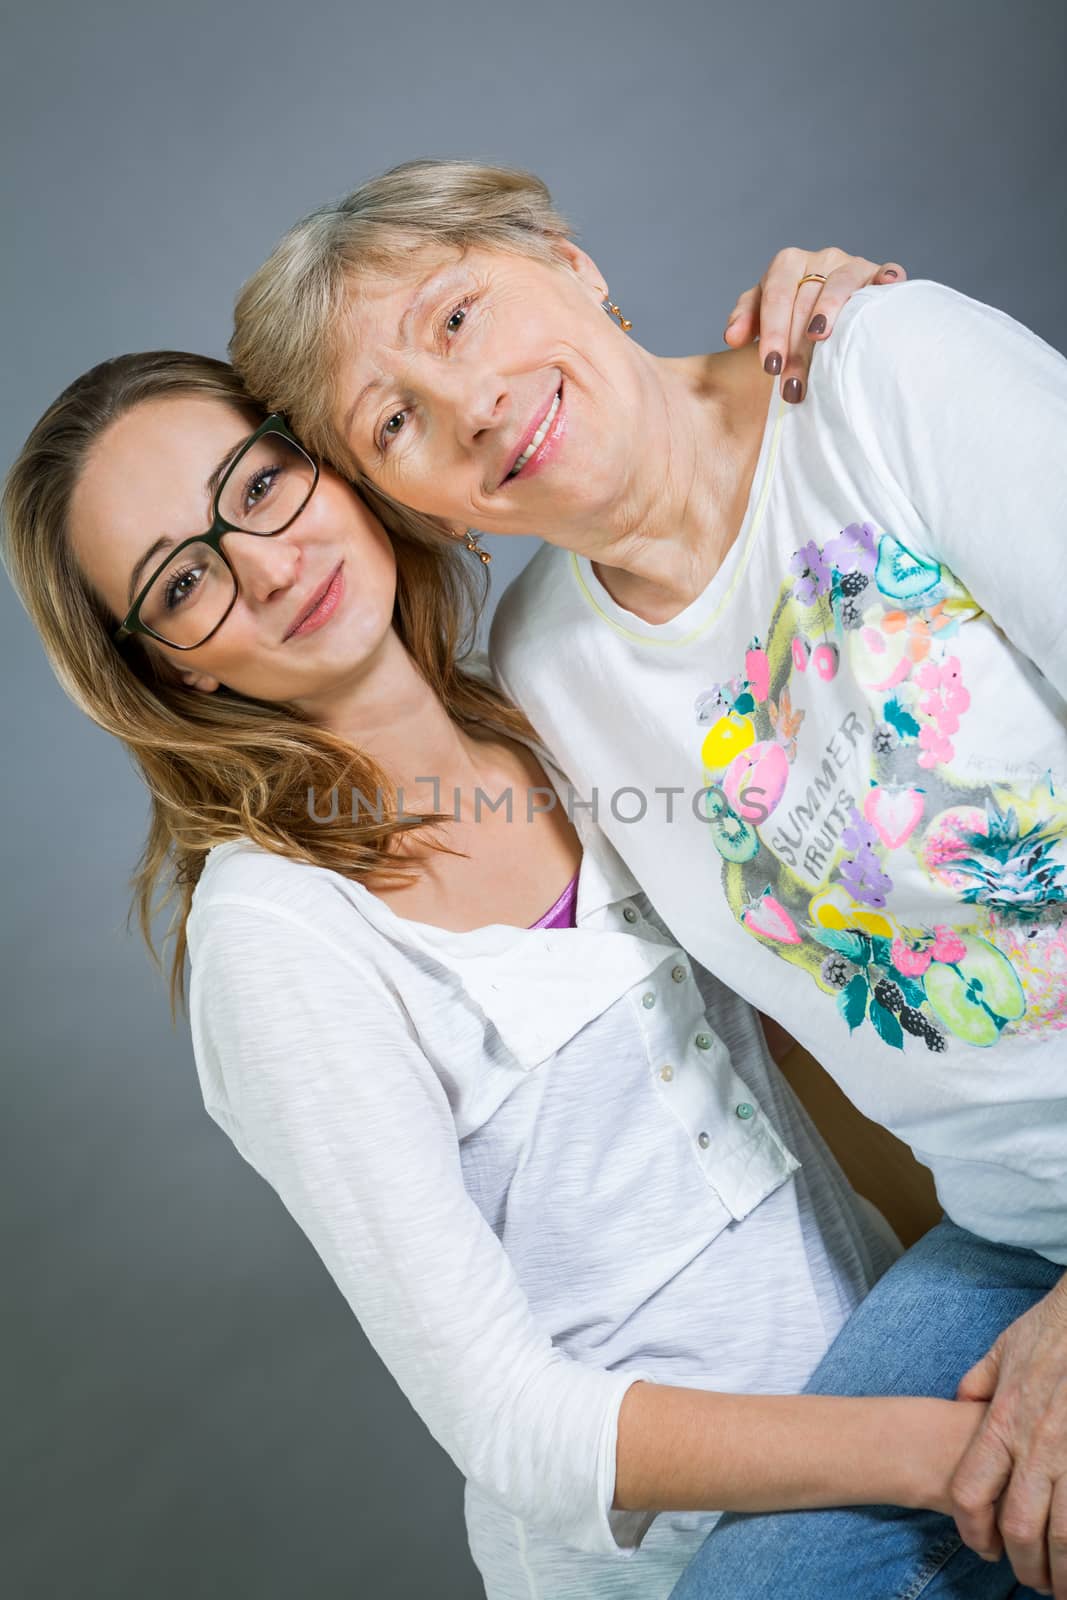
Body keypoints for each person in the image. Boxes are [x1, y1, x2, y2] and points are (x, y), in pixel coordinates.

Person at [3, 312, 985, 1600]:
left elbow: (811, 1056)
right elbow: (514, 1422)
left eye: (255, 486)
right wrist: (954, 1452)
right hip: (729, 1561)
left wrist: (833, 325)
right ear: (164, 677)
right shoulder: (276, 937)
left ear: (326, 462)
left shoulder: (555, 697)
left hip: (908, 1397)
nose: (263, 562)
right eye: (180, 585)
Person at [228, 158, 1067, 1598]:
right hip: (1013, 1236)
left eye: (458, 317)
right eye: (394, 424)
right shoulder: (547, 678)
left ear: (569, 259)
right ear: (421, 510)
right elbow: (804, 1033)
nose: (470, 400)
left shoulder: (879, 379)